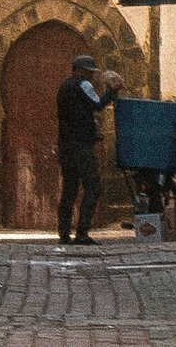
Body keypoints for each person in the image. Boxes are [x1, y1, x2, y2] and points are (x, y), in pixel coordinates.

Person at [56, 55, 123, 245]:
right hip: (81, 148)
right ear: (84, 71)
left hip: (66, 146)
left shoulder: (64, 87)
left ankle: (64, 233)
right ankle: (82, 232)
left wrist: (93, 131)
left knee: (69, 189)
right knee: (92, 186)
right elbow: (97, 105)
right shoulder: (83, 84)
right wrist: (112, 91)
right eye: (91, 73)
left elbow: (76, 116)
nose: (93, 77)